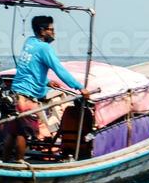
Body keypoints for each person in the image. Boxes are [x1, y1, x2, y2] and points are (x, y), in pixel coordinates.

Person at [6, 15, 94, 161]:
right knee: (23, 133)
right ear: (42, 31)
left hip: (15, 93)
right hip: (26, 98)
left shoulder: (29, 43)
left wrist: (46, 81)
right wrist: (80, 88)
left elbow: (29, 68)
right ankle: (19, 165)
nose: (54, 33)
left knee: (13, 132)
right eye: (51, 30)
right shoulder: (44, 48)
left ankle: (6, 162)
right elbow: (60, 70)